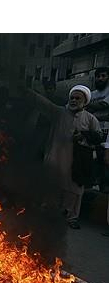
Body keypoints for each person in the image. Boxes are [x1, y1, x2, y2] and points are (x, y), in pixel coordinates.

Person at [27, 84, 103, 229]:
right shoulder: (59, 113)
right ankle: (48, 214)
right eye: (72, 98)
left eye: (77, 98)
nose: (73, 100)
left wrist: (83, 135)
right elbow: (44, 103)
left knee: (74, 191)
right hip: (56, 156)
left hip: (77, 162)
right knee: (52, 187)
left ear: (84, 100)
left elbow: (98, 137)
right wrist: (28, 91)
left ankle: (71, 218)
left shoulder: (90, 119)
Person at [87, 67, 109, 192]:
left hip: (107, 132)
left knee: (105, 160)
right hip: (92, 132)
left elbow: (102, 106)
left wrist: (87, 103)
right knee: (92, 159)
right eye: (98, 76)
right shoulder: (92, 93)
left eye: (103, 76)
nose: (100, 78)